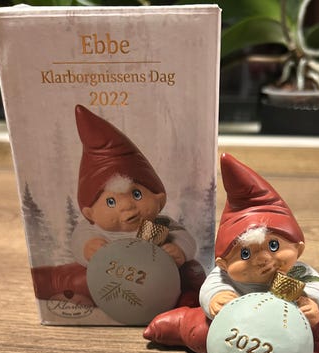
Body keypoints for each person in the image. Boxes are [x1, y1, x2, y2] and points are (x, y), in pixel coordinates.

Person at [144, 153, 319, 353]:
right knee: (203, 330)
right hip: (238, 331)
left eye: (273, 246)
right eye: (246, 254)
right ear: (224, 264)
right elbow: (213, 285)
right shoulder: (224, 276)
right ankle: (181, 325)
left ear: (298, 247)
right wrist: (217, 298)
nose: (263, 260)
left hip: (290, 332)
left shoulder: (299, 272)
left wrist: (313, 304)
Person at [32, 105, 204, 306]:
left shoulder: (161, 224)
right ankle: (51, 282)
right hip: (108, 276)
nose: (127, 207)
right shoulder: (92, 229)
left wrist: (179, 249)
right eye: (111, 202)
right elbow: (80, 239)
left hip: (156, 279)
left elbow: (184, 237)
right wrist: (88, 247)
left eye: (137, 194)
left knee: (192, 273)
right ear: (90, 213)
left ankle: (187, 301)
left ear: (159, 198)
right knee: (78, 278)